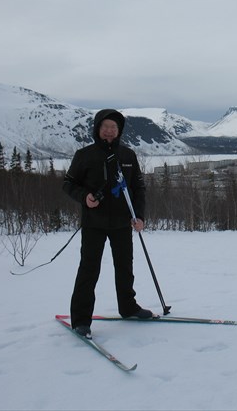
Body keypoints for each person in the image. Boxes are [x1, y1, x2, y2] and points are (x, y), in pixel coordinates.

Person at [63, 108, 154, 339]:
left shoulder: (128, 156)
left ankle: (128, 307)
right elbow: (68, 184)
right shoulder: (84, 155)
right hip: (94, 223)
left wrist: (140, 216)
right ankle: (81, 320)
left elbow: (138, 188)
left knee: (125, 268)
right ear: (97, 129)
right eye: (105, 127)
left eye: (114, 127)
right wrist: (84, 197)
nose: (110, 131)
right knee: (89, 270)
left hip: (123, 223)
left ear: (119, 130)